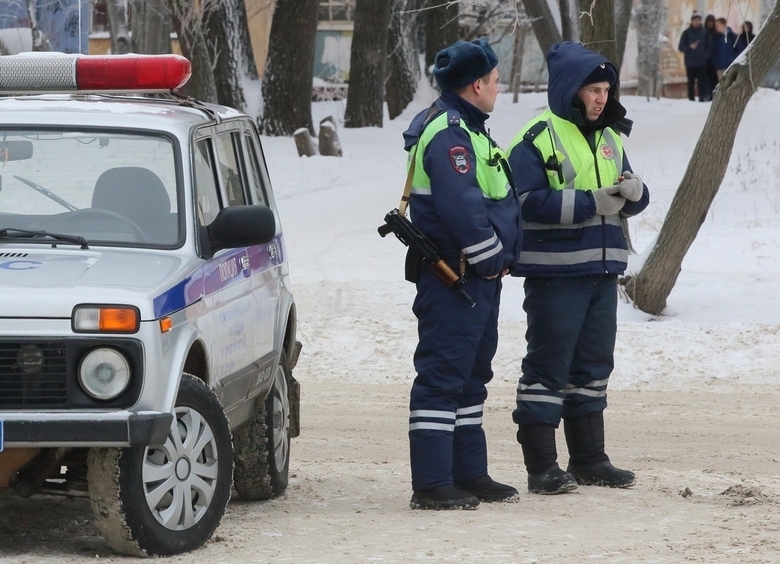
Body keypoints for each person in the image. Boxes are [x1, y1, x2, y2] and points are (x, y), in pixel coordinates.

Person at [506, 41, 649, 495]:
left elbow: (629, 200)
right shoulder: (536, 136)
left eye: (606, 89)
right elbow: (524, 202)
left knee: (592, 366)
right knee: (548, 368)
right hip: (555, 275)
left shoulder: (610, 138)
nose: (602, 98)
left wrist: (637, 193)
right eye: (594, 90)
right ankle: (542, 468)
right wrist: (593, 203)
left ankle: (590, 460)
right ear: (572, 90)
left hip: (602, 272)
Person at [402, 38, 522, 510]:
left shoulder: (469, 129)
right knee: (443, 375)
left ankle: (468, 473)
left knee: (472, 377)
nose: (498, 88)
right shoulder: (450, 134)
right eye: (494, 80)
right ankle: (432, 484)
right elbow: (462, 209)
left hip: (474, 277)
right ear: (477, 84)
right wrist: (493, 258)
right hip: (457, 274)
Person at [678, 12, 712, 101]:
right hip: (690, 63)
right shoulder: (686, 33)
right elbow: (681, 47)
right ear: (692, 21)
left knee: (702, 82)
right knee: (691, 82)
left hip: (702, 63)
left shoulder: (705, 33)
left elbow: (710, 47)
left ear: (700, 21)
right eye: (694, 20)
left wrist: (704, 56)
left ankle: (702, 98)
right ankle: (691, 99)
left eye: (698, 20)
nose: (696, 22)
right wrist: (689, 47)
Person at [703, 15, 718, 100]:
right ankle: (707, 95)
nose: (710, 24)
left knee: (714, 78)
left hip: (715, 59)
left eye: (711, 22)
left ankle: (714, 95)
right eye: (708, 22)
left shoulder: (716, 33)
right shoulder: (704, 33)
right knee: (706, 79)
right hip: (705, 60)